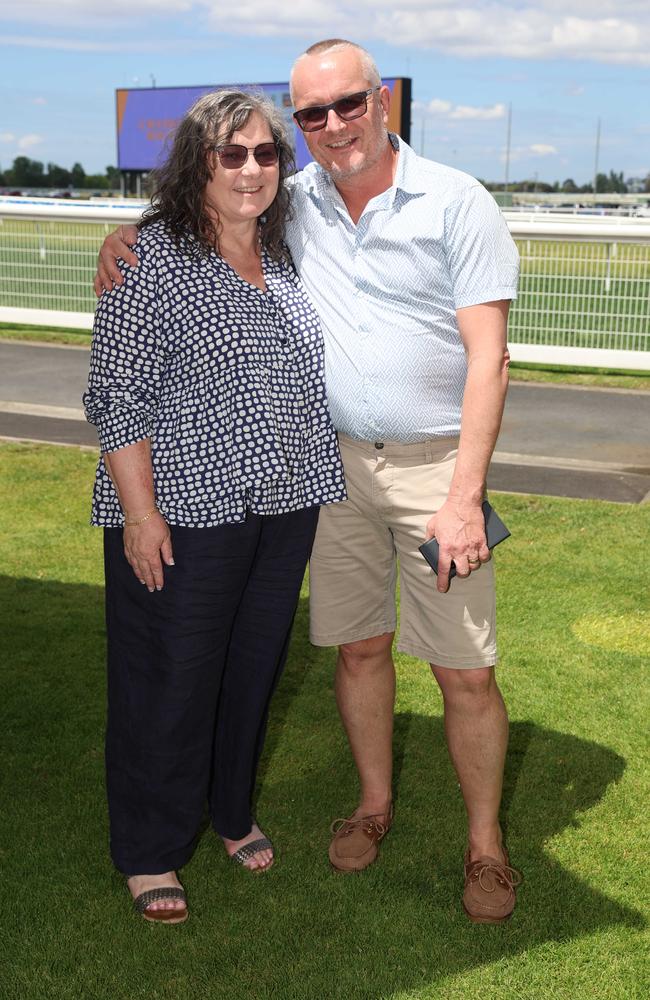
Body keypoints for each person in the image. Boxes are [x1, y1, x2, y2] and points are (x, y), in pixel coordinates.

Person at [95, 39, 522, 923]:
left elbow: (490, 359)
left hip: (368, 483)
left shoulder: (417, 207)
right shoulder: (235, 226)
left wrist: (464, 495)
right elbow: (122, 375)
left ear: (382, 103)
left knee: (437, 671)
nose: (327, 127)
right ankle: (303, 821)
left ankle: (480, 849)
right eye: (311, 115)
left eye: (347, 105)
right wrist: (125, 233)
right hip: (259, 491)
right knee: (282, 661)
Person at [84, 88, 346, 923]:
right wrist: (140, 513)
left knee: (251, 670)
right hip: (184, 511)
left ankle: (230, 812)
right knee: (168, 682)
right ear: (196, 161)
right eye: (231, 153)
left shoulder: (290, 250)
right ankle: (151, 848)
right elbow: (115, 395)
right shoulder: (149, 257)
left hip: (286, 505)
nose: (250, 168)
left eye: (266, 153)